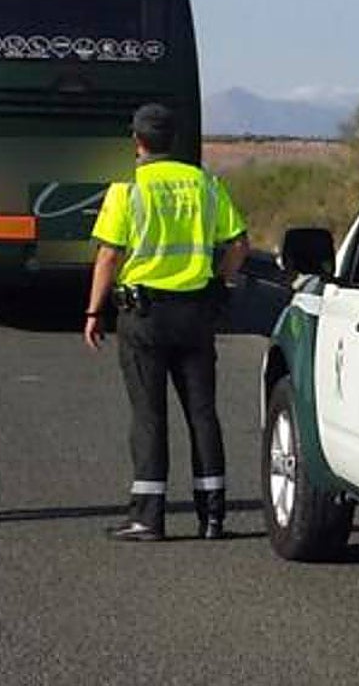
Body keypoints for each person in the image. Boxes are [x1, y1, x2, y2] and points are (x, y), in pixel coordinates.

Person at [85, 103, 249, 542]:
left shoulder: (128, 190)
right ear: (173, 140)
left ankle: (147, 518)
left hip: (145, 316)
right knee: (202, 413)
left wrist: (93, 311)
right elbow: (238, 245)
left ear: (137, 141)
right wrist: (218, 283)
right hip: (195, 313)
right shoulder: (206, 185)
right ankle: (212, 517)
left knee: (149, 416)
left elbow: (109, 254)